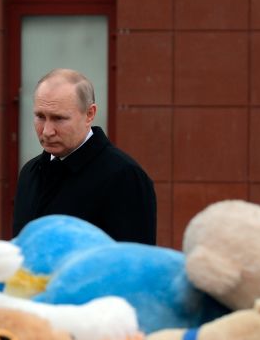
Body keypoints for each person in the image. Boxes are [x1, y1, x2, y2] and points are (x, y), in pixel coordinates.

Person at [12, 68, 156, 244]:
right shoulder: (30, 173)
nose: (47, 131)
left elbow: (134, 262)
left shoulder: (124, 176)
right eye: (40, 117)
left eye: (59, 118)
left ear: (90, 114)